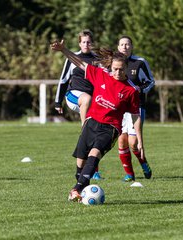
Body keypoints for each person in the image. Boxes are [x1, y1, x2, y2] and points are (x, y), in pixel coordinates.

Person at [50, 39, 144, 202]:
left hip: (110, 128)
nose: (117, 73)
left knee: (95, 154)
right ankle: (80, 186)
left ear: (126, 68)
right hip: (91, 122)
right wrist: (64, 50)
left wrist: (140, 140)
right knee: (80, 162)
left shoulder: (131, 91)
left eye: (121, 70)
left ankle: (76, 189)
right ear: (110, 67)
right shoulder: (101, 75)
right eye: (114, 69)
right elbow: (79, 63)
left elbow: (136, 116)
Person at [54, 29, 102, 180]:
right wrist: (57, 101)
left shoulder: (97, 59)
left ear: (92, 43)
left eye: (88, 42)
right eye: (83, 42)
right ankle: (84, 127)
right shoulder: (72, 58)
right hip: (73, 96)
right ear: (79, 43)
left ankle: (94, 171)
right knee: (86, 100)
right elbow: (63, 80)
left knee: (96, 136)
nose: (86, 44)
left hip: (91, 100)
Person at [116, 36, 155, 182]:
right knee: (121, 141)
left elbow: (150, 81)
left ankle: (143, 162)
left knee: (133, 142)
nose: (125, 47)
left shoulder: (140, 62)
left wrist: (139, 90)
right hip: (120, 108)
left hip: (136, 107)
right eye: (122, 44)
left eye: (127, 44)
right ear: (118, 47)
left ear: (131, 46)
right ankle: (129, 174)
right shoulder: (115, 63)